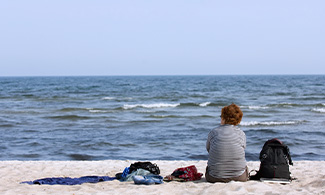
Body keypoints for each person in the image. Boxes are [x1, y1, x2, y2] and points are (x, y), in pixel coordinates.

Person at [205, 103, 248, 183]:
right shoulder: (241, 133)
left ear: (224, 118)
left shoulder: (214, 132)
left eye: (221, 116)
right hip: (239, 177)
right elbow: (242, 148)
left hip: (214, 177)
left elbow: (209, 149)